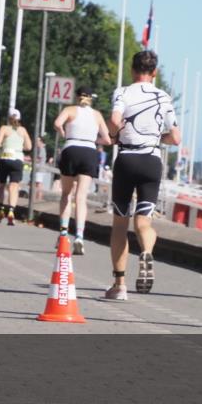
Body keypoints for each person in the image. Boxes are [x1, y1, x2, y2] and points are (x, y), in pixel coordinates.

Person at [106, 51, 180, 300]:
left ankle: (119, 285)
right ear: (155, 72)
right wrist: (159, 138)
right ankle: (146, 250)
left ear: (132, 70)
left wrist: (115, 134)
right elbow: (176, 138)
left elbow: (114, 121)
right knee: (143, 222)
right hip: (151, 161)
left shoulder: (123, 92)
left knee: (119, 224)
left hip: (126, 159)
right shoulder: (164, 96)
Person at [53, 86, 112, 255]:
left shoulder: (70, 110)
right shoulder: (97, 115)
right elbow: (107, 139)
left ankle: (64, 233)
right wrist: (93, 139)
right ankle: (79, 235)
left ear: (77, 97)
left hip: (71, 148)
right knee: (81, 196)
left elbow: (57, 123)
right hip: (89, 151)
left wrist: (63, 132)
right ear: (91, 98)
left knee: (66, 194)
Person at [0, 108, 32, 226]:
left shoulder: (4, 128)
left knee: (1, 185)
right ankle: (11, 211)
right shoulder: (23, 130)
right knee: (14, 186)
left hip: (5, 157)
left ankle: (0, 209)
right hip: (17, 159)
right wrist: (20, 147)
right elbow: (29, 147)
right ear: (19, 118)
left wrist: (4, 145)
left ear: (9, 118)